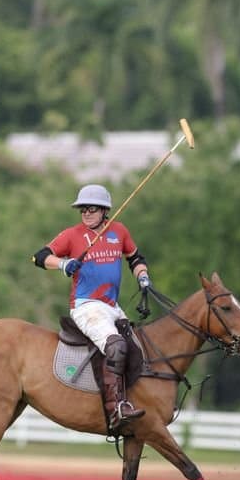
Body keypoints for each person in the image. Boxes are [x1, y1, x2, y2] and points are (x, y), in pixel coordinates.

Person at [32, 183, 151, 434]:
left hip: (111, 306)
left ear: (105, 211)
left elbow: (136, 259)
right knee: (116, 345)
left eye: (92, 208)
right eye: (82, 209)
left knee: (138, 350)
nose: (86, 213)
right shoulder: (72, 235)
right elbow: (40, 256)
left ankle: (141, 401)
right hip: (86, 306)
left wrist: (142, 276)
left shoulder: (119, 231)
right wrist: (63, 264)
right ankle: (116, 408)